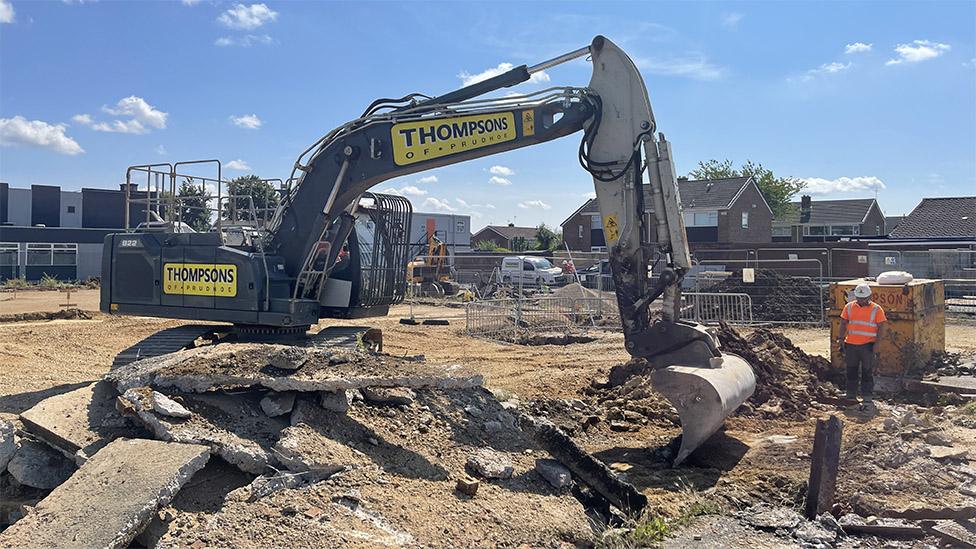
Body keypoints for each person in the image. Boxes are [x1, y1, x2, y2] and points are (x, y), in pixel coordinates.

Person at [837, 283, 887, 405]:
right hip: (851, 345)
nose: (861, 301)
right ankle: (851, 394)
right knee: (851, 370)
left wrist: (877, 343)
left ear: (869, 296)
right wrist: (841, 339)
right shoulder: (849, 307)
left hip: (867, 345)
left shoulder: (876, 309)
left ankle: (867, 395)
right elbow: (843, 323)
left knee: (867, 371)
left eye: (863, 298)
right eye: (859, 298)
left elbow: (881, 327)